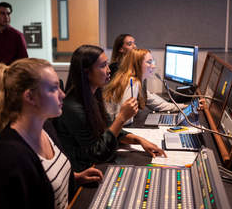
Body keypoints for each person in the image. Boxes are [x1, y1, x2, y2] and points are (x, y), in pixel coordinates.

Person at [0, 58, 103, 209]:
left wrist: (75, 178)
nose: (62, 94)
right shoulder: (6, 157)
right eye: (53, 89)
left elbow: (42, 182)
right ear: (30, 97)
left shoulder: (46, 128)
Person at [53, 45, 166, 173]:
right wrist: (122, 117)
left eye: (107, 64)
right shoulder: (73, 108)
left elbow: (108, 128)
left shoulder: (93, 96)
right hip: (86, 171)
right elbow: (98, 153)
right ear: (86, 72)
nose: (108, 70)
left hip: (96, 165)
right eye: (103, 66)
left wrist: (139, 140)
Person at [103, 48, 188, 125]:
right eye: (149, 62)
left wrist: (185, 107)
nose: (153, 66)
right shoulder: (131, 82)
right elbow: (123, 120)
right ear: (137, 64)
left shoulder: (136, 82)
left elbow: (158, 104)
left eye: (153, 62)